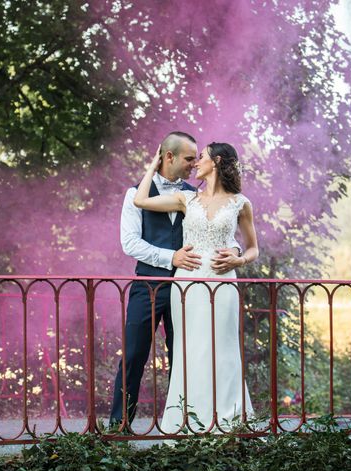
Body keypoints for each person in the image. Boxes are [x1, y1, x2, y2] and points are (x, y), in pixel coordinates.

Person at [109, 132, 243, 428]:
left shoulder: (195, 196)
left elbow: (222, 229)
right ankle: (118, 427)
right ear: (167, 157)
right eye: (188, 158)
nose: (194, 164)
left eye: (198, 158)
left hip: (190, 286)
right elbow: (129, 243)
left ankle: (181, 422)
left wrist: (235, 251)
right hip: (148, 285)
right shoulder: (135, 193)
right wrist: (172, 258)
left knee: (183, 356)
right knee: (133, 354)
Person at [133, 141, 259, 433]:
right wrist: (153, 164)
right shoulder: (186, 199)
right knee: (191, 350)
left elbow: (253, 249)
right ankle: (186, 422)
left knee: (224, 349)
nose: (194, 163)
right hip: (187, 284)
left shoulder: (241, 202)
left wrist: (239, 260)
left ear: (215, 162)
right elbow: (140, 200)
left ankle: (228, 422)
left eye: (200, 157)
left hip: (223, 283)